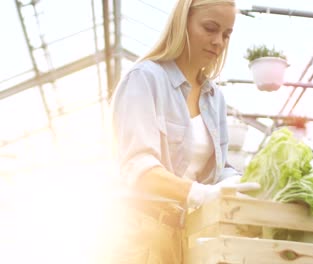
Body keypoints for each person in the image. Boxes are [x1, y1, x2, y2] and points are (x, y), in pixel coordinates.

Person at [107, 0, 260, 263]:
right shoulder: (145, 79)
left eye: (226, 34)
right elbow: (138, 166)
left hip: (186, 236)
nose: (218, 42)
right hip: (140, 235)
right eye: (210, 28)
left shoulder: (215, 98)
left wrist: (237, 181)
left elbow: (218, 168)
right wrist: (198, 193)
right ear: (183, 23)